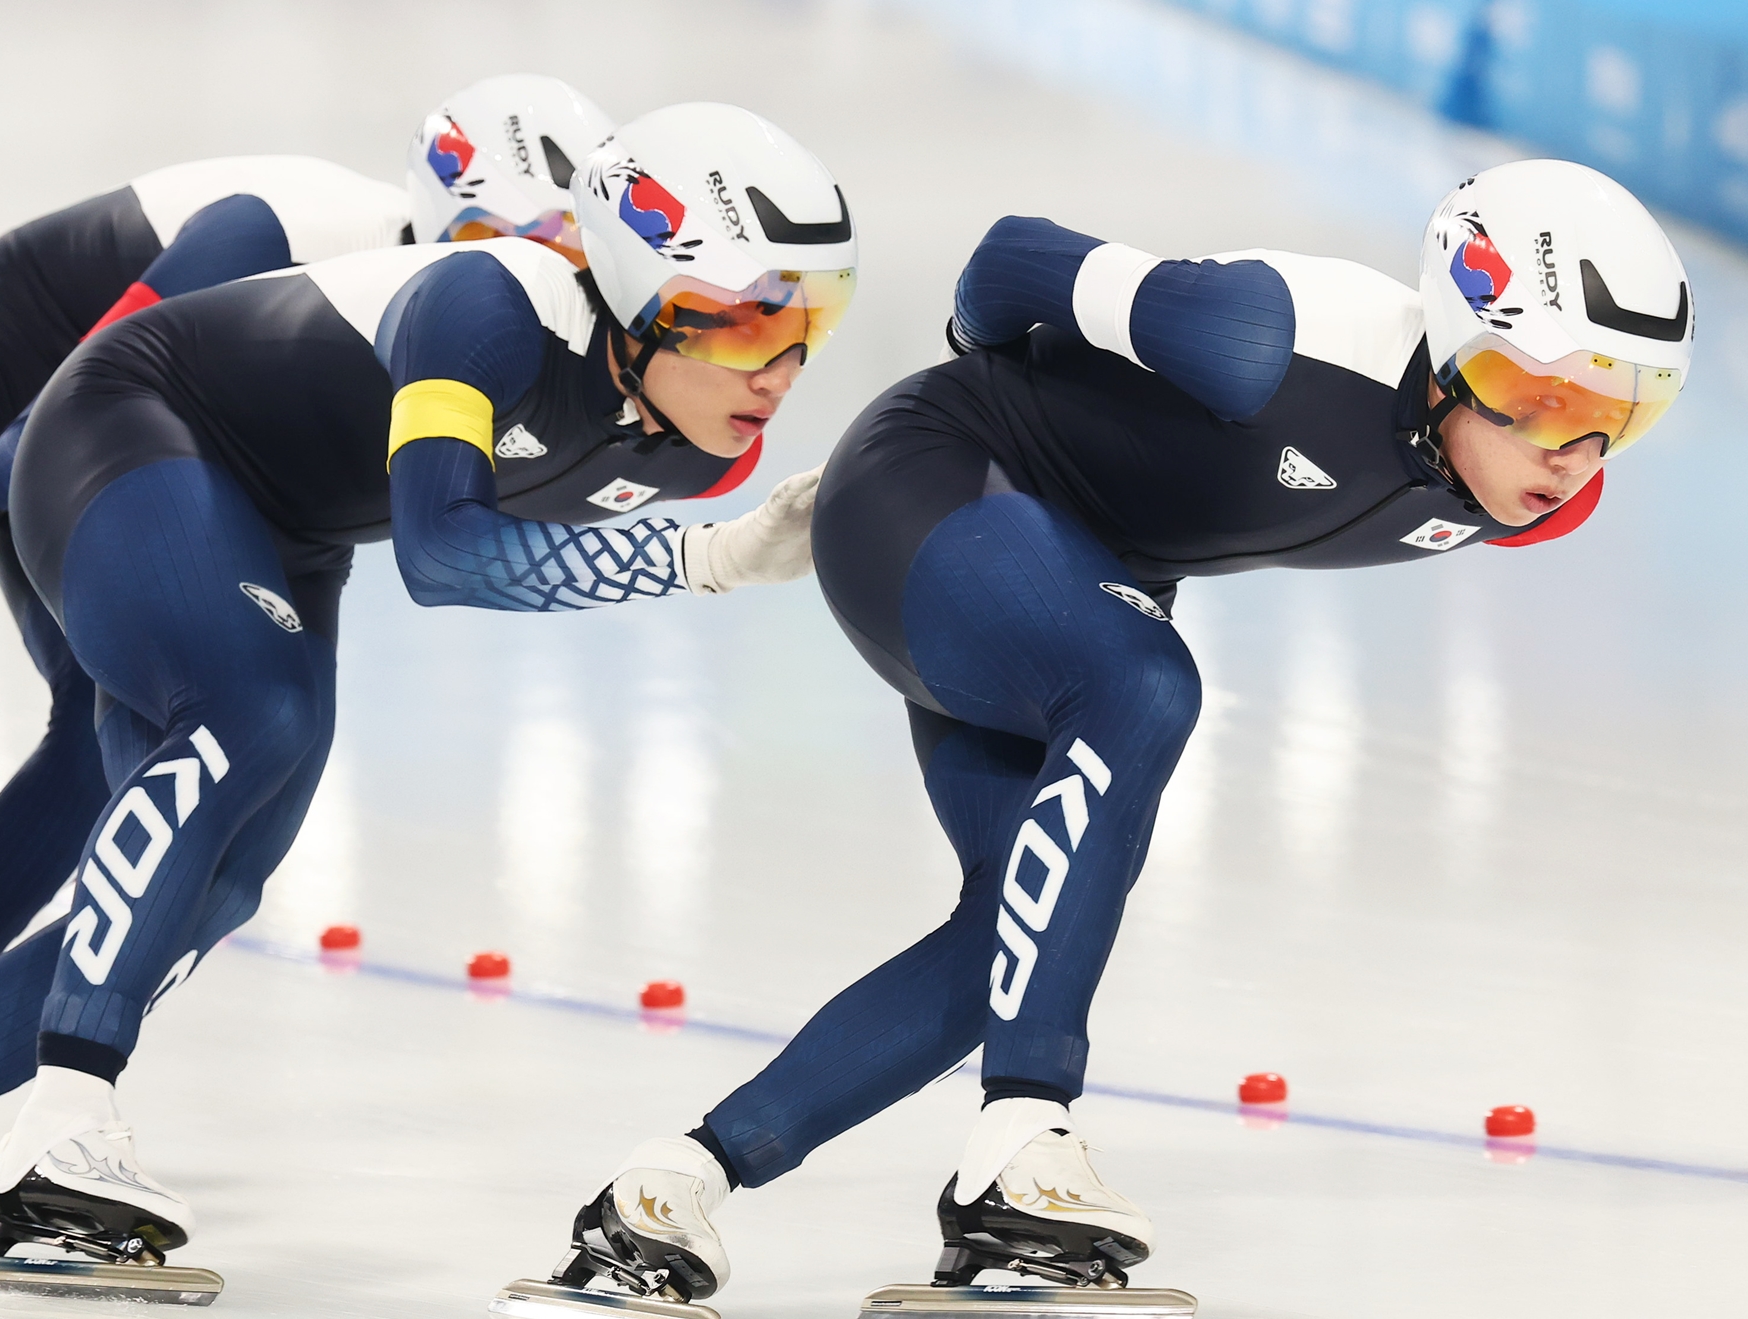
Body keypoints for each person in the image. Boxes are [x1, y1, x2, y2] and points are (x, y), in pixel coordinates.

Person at [539, 159, 1693, 1304]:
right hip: (937, 492)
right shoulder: (1261, 336)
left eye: (1613, 417)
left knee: (1008, 934)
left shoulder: (1536, 501)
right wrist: (984, 370)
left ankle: (668, 1187)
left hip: (1055, 583)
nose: (1569, 451)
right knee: (1145, 683)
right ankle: (1022, 1135)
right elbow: (1005, 256)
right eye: (1537, 395)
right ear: (1447, 346)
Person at [0, 100, 857, 1289]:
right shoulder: (486, 303)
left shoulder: (706, 445)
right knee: (246, 711)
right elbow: (440, 554)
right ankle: (64, 1115)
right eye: (743, 329)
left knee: (229, 874)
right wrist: (707, 558)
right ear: (638, 299)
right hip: (119, 425)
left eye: (810, 327)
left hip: (281, 526)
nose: (780, 369)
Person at [0, 75, 616, 1106]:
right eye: (507, 234)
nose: (530, 267)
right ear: (443, 206)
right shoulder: (285, 230)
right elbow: (23, 448)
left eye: (567, 250)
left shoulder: (487, 318)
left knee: (140, 739)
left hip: (119, 445)